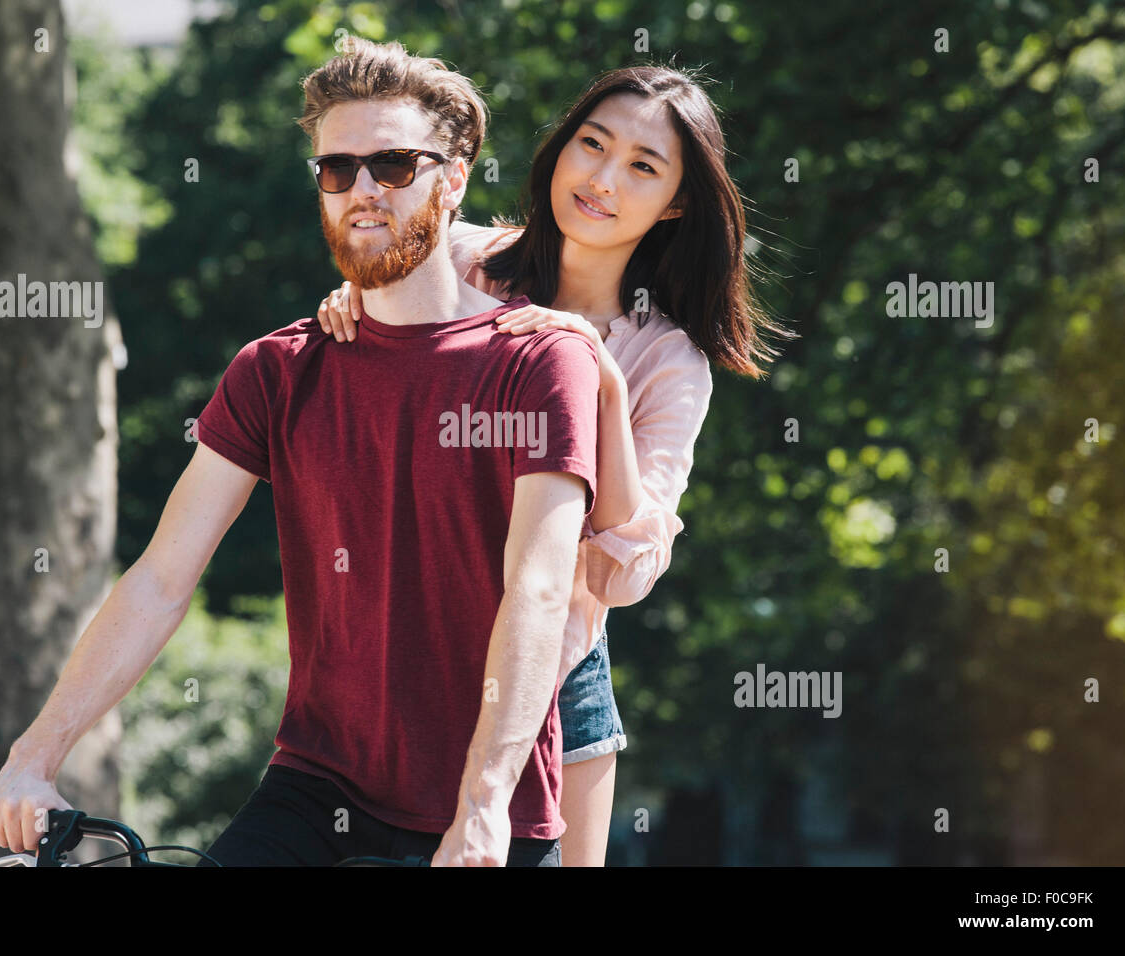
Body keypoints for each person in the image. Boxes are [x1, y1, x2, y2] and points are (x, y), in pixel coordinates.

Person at [0, 36, 599, 867]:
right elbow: (162, 578)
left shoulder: (537, 360)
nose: (363, 192)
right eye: (336, 171)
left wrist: (480, 805)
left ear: (453, 181)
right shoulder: (277, 369)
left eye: (394, 166)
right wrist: (31, 758)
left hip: (493, 807)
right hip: (317, 787)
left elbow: (541, 587)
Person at [316, 63, 790, 865]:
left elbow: (621, 577)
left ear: (676, 201)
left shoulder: (668, 362)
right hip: (407, 646)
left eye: (642, 167)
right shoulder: (462, 259)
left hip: (557, 676)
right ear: (559, 149)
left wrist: (596, 378)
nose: (603, 180)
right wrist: (348, 299)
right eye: (591, 145)